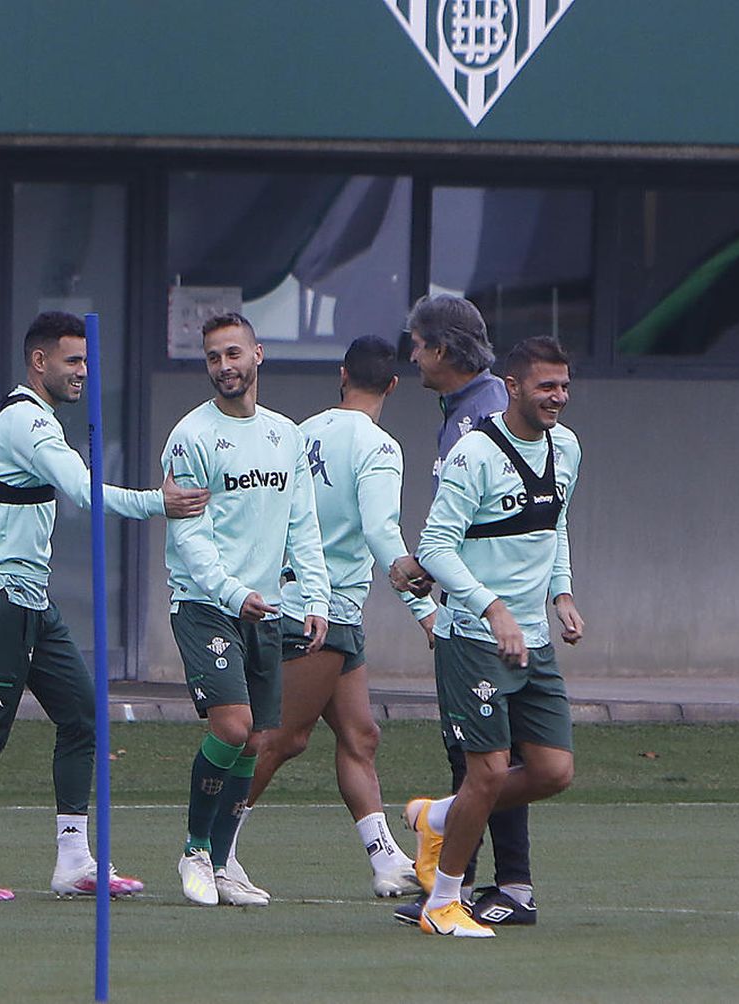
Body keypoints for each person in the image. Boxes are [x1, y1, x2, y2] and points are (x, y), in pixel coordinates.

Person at [0, 310, 208, 901]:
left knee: (83, 715)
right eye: (72, 361)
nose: (83, 372)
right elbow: (82, 491)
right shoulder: (27, 423)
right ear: (39, 361)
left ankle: (74, 861)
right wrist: (162, 502)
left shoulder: (38, 418)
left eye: (86, 360)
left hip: (31, 597)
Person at [228, 336, 434, 902]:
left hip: (307, 600)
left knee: (360, 735)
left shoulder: (299, 431)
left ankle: (386, 859)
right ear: (392, 385)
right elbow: (381, 531)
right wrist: (426, 609)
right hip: (322, 608)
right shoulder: (381, 447)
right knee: (280, 738)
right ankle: (212, 847)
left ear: (343, 375)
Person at [403, 335, 584, 938]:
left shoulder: (567, 447)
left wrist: (561, 593)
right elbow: (434, 548)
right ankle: (443, 905)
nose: (557, 397)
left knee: (554, 770)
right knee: (486, 771)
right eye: (545, 386)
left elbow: (554, 527)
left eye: (563, 385)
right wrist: (493, 608)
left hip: (534, 640)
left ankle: (438, 817)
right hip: (474, 638)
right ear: (512, 387)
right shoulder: (474, 453)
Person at [162, 312, 330, 908]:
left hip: (269, 607)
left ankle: (226, 861)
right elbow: (191, 536)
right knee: (231, 727)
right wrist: (234, 593)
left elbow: (303, 523)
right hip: (208, 603)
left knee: (258, 740)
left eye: (233, 354)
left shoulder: (287, 435)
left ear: (258, 354)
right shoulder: (191, 436)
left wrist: (315, 597)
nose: (224, 367)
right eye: (213, 357)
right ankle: (195, 850)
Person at [390, 294, 539, 926]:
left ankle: (500, 887)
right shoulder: (463, 408)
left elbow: (491, 521)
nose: (414, 357)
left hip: (486, 614)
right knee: (482, 755)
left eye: (417, 345)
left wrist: (419, 568)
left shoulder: (481, 418)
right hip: (473, 609)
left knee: (488, 757)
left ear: (442, 350)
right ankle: (469, 884)